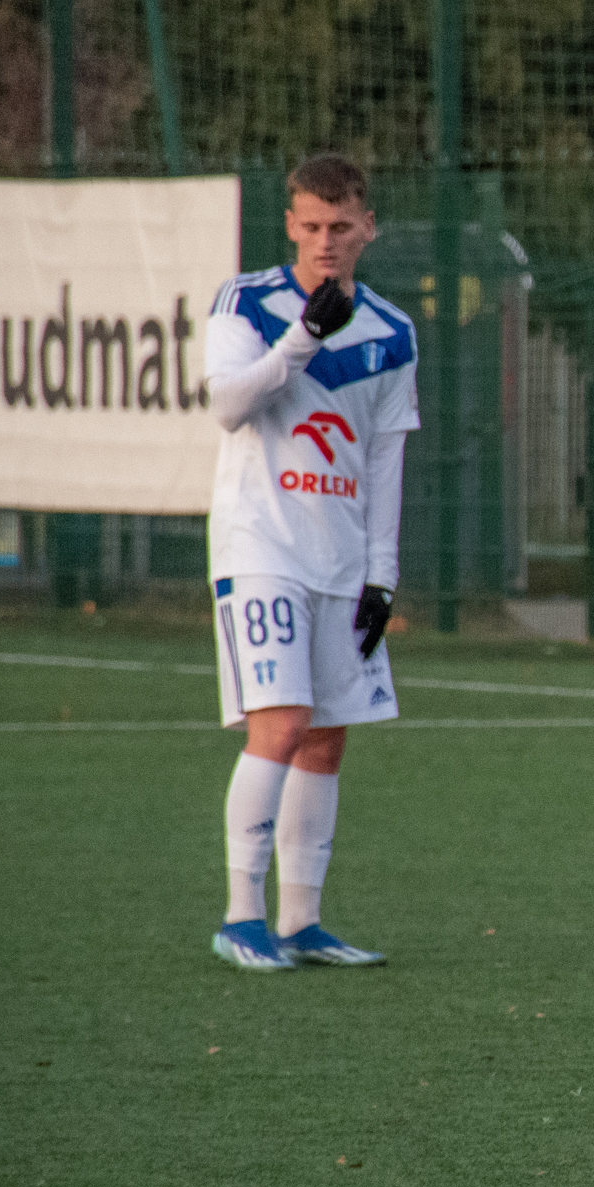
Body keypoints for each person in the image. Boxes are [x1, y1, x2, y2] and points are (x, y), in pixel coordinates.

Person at [203, 152, 419, 971]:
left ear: (369, 228)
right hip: (262, 545)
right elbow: (228, 405)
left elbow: (386, 456)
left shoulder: (393, 332)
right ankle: (240, 917)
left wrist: (382, 573)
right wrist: (302, 339)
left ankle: (301, 922)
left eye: (341, 226)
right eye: (312, 226)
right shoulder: (247, 303)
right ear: (290, 225)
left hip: (341, 556)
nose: (326, 241)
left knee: (326, 739)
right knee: (283, 724)